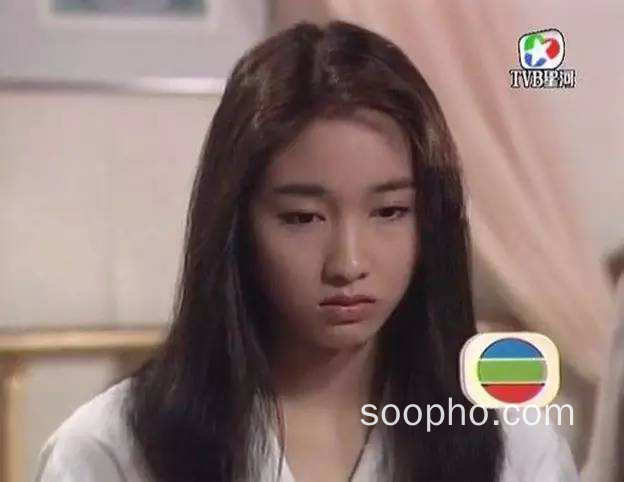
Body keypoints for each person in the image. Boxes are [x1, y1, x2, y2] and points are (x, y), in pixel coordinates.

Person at [34, 20, 579, 482]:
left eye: (390, 212)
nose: (348, 264)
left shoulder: (513, 441)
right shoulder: (112, 450)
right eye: (302, 218)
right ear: (235, 224)